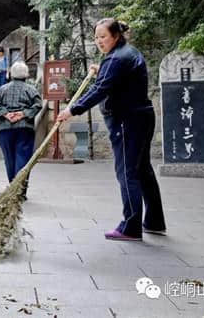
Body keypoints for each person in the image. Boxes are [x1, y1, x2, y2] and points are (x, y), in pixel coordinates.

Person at [57, 18, 166, 241]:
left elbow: (100, 90)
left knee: (127, 171)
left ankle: (130, 226)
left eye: (103, 37)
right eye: (96, 37)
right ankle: (154, 221)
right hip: (142, 116)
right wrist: (103, 71)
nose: (99, 41)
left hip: (128, 121)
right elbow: (118, 80)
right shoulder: (127, 53)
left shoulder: (116, 58)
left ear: (115, 36)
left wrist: (72, 109)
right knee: (142, 169)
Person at [0, 61, 42, 199]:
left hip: (5, 129)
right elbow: (38, 104)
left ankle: (12, 188)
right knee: (23, 159)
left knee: (9, 160)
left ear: (11, 74)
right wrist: (23, 114)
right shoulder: (31, 89)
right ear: (26, 74)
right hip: (24, 128)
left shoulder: (2, 89)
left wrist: (6, 114)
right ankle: (19, 191)